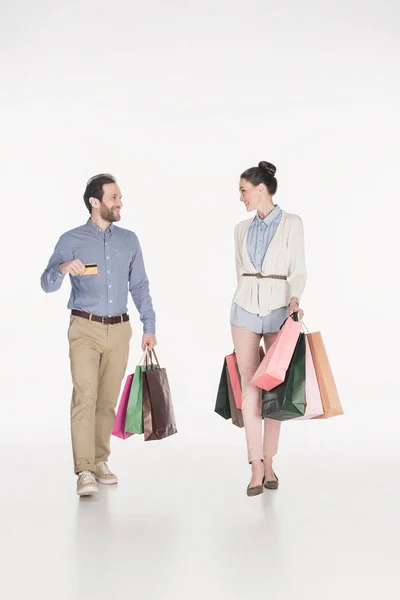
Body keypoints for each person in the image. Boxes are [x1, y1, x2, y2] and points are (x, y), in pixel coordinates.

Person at [41, 174, 156, 497]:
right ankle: (84, 470)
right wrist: (63, 268)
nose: (120, 203)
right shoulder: (71, 239)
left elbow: (140, 286)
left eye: (120, 198)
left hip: (120, 329)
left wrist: (149, 325)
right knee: (85, 396)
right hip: (85, 328)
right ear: (95, 201)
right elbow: (46, 282)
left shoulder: (129, 240)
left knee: (106, 401)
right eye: (114, 197)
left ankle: (101, 460)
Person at [231, 161, 306, 497]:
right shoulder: (239, 229)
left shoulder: (292, 223)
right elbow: (240, 271)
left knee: (273, 389)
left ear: (261, 189)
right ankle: (256, 464)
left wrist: (293, 299)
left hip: (279, 311)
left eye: (244, 190)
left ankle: (271, 461)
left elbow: (299, 269)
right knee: (249, 387)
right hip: (244, 310)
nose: (241, 198)